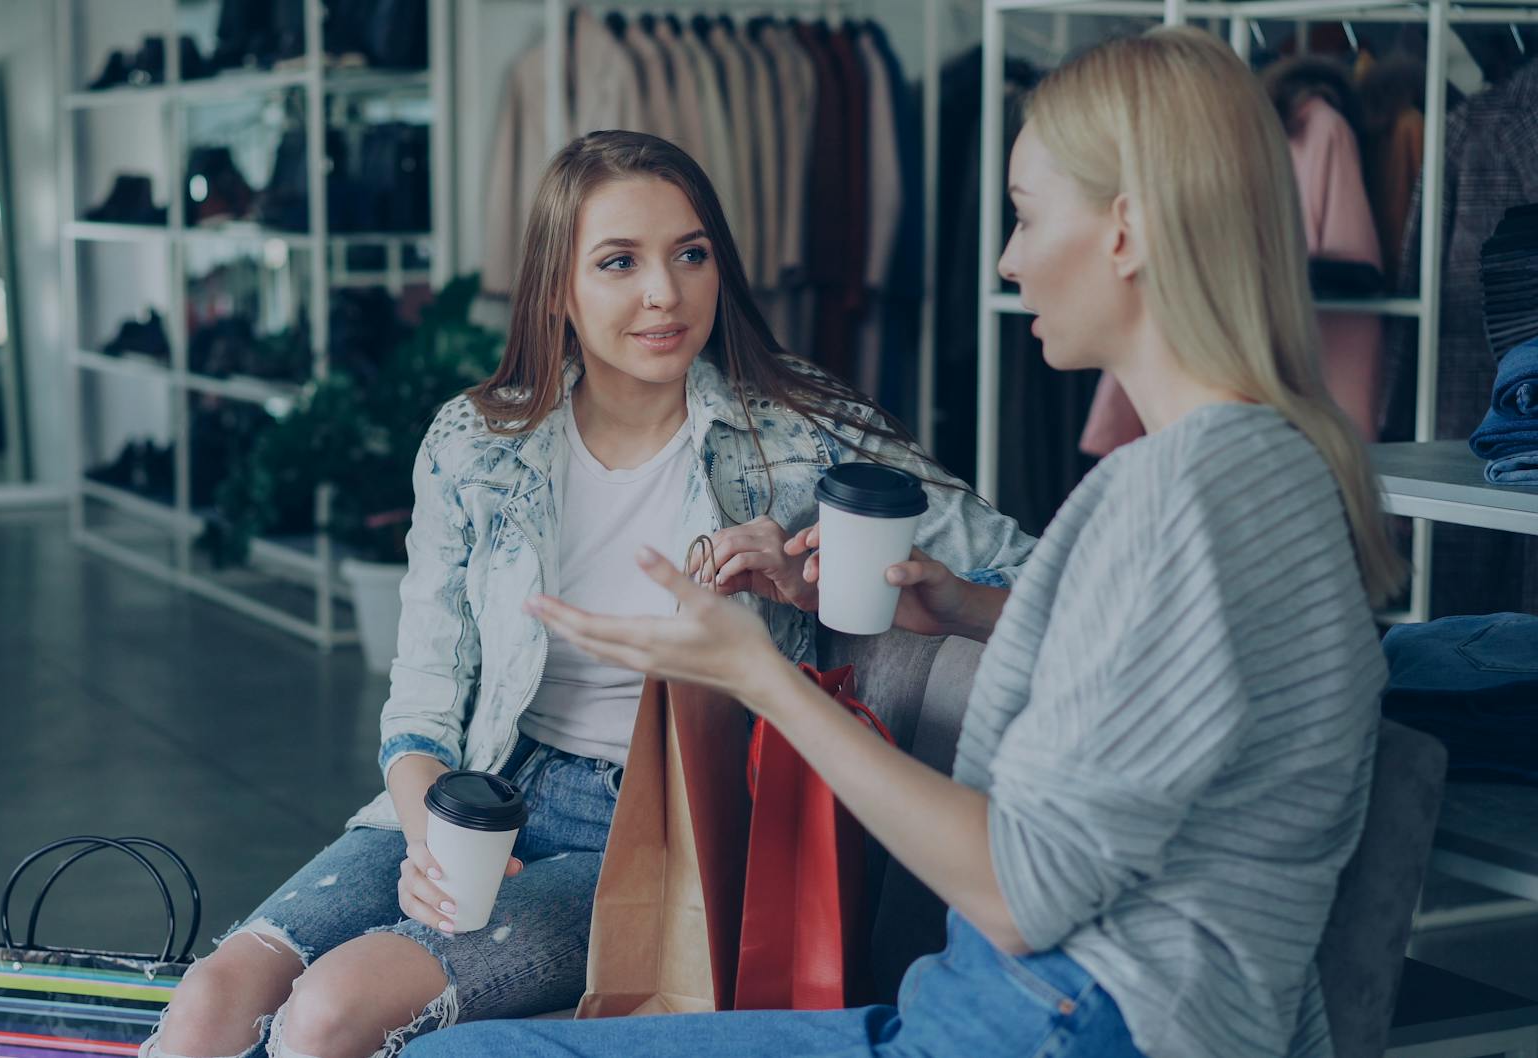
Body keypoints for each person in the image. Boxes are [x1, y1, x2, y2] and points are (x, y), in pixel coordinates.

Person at [405, 27, 1407, 1058]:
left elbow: (1020, 896)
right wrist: (962, 608)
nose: (1008, 258)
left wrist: (759, 677)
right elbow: (1173, 676)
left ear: (1124, 233)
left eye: (1021, 217)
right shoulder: (1273, 460)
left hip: (1059, 1021)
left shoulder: (1171, 496)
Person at [139, 130, 1032, 1058]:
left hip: (655, 829)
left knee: (329, 1013)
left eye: (691, 254)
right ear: (558, 289)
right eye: (620, 262)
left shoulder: (800, 432)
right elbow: (424, 692)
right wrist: (427, 838)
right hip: (480, 791)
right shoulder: (474, 443)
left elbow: (1038, 572)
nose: (666, 293)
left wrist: (903, 592)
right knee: (211, 1004)